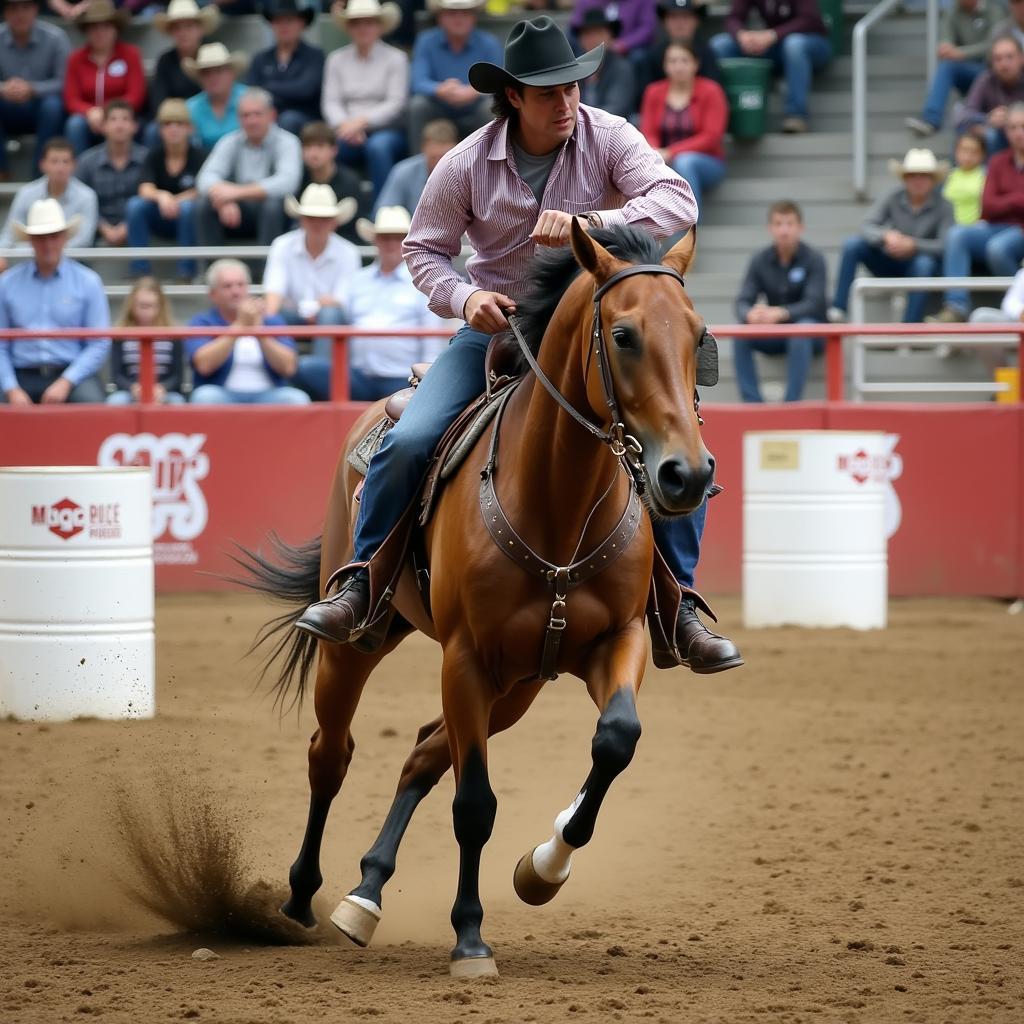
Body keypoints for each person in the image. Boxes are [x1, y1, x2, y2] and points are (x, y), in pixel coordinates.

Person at [296, 16, 742, 675]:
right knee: (414, 436)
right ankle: (363, 581)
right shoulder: (465, 163)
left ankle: (678, 606)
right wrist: (465, 299)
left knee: (680, 433)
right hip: (494, 329)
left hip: (589, 329)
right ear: (512, 97)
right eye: (546, 94)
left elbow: (677, 199)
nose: (564, 104)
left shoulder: (609, 135)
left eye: (571, 89)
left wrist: (594, 222)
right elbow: (424, 252)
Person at [0, 198, 109, 405]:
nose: (47, 244)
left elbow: (99, 343)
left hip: (71, 372)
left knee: (92, 405)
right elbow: (0, 345)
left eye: (53, 236)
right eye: (41, 238)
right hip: (20, 372)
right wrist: (11, 387)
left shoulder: (88, 282)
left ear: (64, 238)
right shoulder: (7, 284)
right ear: (31, 241)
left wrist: (67, 381)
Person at [829, 148, 954, 324]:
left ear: (933, 180)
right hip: (888, 259)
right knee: (852, 245)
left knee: (924, 264)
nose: (918, 180)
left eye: (924, 175)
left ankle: (910, 328)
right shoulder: (892, 196)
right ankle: (838, 309)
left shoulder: (945, 206)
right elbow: (866, 225)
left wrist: (913, 245)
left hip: (919, 266)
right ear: (905, 178)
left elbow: (945, 246)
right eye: (913, 175)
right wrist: (886, 236)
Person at [264, 183, 361, 401]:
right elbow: (273, 295)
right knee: (273, 316)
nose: (317, 223)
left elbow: (342, 301)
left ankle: (318, 377)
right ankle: (306, 376)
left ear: (334, 222)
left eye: (323, 218)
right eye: (311, 217)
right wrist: (271, 315)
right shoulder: (282, 245)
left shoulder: (348, 252)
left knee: (330, 315)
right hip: (295, 316)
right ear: (301, 220)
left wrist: (320, 307)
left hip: (325, 318)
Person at [930, 104, 1024, 323]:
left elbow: (995, 204)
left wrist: (1005, 201)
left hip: (1018, 232)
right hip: (997, 226)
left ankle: (1015, 309)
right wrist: (1018, 199)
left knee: (998, 248)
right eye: (1012, 127)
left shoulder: (996, 162)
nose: (1018, 132)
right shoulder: (998, 161)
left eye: (1023, 126)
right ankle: (956, 306)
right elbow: (988, 205)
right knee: (957, 235)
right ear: (1006, 131)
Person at [346, 205, 448, 401]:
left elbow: (431, 345)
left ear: (406, 242)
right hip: (358, 376)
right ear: (375, 240)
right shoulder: (356, 280)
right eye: (385, 237)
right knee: (310, 369)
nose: (391, 243)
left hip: (403, 379)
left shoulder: (423, 283)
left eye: (397, 237)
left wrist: (425, 381)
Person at [732, 200, 826, 403]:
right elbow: (742, 300)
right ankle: (753, 405)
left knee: (802, 330)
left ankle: (791, 406)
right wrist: (750, 314)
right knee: (741, 333)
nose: (784, 231)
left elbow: (815, 303)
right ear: (770, 228)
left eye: (789, 224)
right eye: (778, 224)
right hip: (776, 333)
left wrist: (781, 313)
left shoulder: (814, 259)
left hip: (812, 334)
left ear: (800, 228)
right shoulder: (760, 260)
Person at [187, 258, 310, 405]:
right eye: (227, 286)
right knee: (205, 397)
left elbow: (289, 368)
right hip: (221, 393)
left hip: (269, 394)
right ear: (212, 294)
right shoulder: (202, 322)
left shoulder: (271, 320)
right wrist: (239, 327)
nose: (236, 291)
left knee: (296, 400)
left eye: (240, 285)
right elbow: (204, 365)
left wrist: (259, 331)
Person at [322, 0, 409, 200]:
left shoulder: (396, 58)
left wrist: (360, 123)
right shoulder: (336, 60)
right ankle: (335, 207)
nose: (363, 28)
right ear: (348, 28)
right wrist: (345, 127)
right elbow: (331, 102)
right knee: (329, 149)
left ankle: (384, 209)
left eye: (369, 22)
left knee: (378, 147)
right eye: (356, 23)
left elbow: (396, 103)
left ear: (379, 26)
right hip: (345, 130)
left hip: (386, 130)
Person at [195, 86, 302, 247]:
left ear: (272, 115)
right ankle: (212, 268)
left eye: (257, 114)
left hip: (276, 216)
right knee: (204, 204)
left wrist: (235, 193)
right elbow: (204, 178)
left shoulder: (288, 142)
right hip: (236, 214)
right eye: (245, 115)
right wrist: (223, 200)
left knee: (272, 205)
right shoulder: (229, 141)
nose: (251, 121)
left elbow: (288, 183)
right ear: (238, 119)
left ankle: (268, 269)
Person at [709, 0, 831, 133]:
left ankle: (797, 115)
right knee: (720, 44)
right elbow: (733, 17)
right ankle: (723, 112)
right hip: (774, 45)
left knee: (794, 44)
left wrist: (772, 35)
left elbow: (809, 20)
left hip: (812, 44)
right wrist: (742, 36)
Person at [640, 41, 728, 214]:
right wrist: (657, 152)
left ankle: (689, 233)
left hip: (707, 162)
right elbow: (648, 131)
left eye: (684, 61)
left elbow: (711, 137)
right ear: (665, 65)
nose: (678, 67)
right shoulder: (653, 92)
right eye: (672, 61)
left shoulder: (712, 91)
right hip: (662, 159)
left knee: (684, 163)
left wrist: (672, 152)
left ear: (696, 64)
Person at [126, 98, 205, 281]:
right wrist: (162, 196)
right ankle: (139, 270)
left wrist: (175, 201)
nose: (173, 129)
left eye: (179, 123)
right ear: (160, 130)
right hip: (160, 216)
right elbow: (144, 188)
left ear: (190, 128)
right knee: (135, 206)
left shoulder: (200, 156)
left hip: (188, 219)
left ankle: (186, 271)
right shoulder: (154, 155)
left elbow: (204, 189)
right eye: (167, 124)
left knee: (188, 208)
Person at [407, 0, 500, 152]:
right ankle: (419, 166)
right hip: (438, 107)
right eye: (451, 13)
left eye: (465, 12)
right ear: (440, 17)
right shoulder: (426, 41)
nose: (459, 18)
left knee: (491, 107)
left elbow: (498, 83)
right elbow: (418, 81)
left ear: (474, 16)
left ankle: (491, 166)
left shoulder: (489, 43)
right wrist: (440, 89)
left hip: (475, 108)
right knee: (418, 106)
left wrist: (472, 91)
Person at [905, 0, 1001, 137]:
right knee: (946, 67)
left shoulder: (994, 10)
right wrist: (946, 48)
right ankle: (931, 120)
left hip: (994, 71)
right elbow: (946, 38)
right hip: (967, 70)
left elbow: (996, 45)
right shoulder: (953, 11)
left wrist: (962, 53)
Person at [62, 0, 145, 155]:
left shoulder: (131, 54)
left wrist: (109, 114)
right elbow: (71, 98)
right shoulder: (75, 59)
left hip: (122, 115)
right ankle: (79, 175)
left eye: (106, 26)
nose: (100, 32)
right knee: (75, 124)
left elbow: (135, 95)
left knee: (133, 124)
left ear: (116, 29)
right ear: (86, 31)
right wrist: (90, 112)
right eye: (93, 27)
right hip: (89, 119)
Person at [0, 138, 97, 266]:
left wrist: (45, 251)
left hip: (73, 262)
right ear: (43, 164)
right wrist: (1, 254)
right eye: (54, 161)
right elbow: (9, 233)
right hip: (30, 261)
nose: (60, 167)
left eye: (65, 161)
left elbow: (84, 240)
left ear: (74, 165)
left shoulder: (87, 196)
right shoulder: (26, 193)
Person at [0, 0, 69, 178]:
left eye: (25, 7)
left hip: (42, 108)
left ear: (36, 10)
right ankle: (1, 170)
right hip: (6, 107)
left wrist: (33, 89)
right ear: (5, 13)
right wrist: (3, 88)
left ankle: (41, 174)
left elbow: (65, 81)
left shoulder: (56, 37)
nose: (19, 14)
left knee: (53, 105)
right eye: (13, 8)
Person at [75, 99, 147, 250]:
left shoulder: (148, 159)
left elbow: (150, 200)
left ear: (135, 126)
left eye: (125, 119)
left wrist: (128, 226)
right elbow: (78, 200)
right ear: (103, 126)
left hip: (141, 226)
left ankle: (142, 272)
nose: (119, 125)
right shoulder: (87, 161)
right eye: (113, 119)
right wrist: (103, 227)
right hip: (95, 228)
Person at [247, 0, 324, 137]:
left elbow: (306, 90)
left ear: (301, 23)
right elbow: (253, 92)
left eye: (289, 20)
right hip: (266, 117)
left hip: (304, 119)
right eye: (278, 21)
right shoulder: (260, 59)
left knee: (289, 119)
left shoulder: (314, 56)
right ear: (272, 25)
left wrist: (269, 87)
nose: (283, 26)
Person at [107, 277, 186, 404]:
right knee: (115, 402)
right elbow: (117, 375)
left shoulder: (173, 335)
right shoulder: (121, 334)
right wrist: (132, 388)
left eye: (151, 306)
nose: (146, 311)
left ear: (160, 306)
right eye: (142, 306)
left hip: (164, 391)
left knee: (178, 402)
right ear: (132, 306)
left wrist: (162, 388)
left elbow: (178, 376)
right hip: (130, 391)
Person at [297, 120, 368, 246]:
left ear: (334, 150)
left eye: (319, 146)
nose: (313, 153)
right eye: (308, 147)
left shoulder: (350, 183)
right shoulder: (298, 179)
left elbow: (355, 230)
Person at [149, 0, 220, 122]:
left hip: (210, 116)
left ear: (200, 29)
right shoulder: (165, 60)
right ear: (171, 33)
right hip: (175, 120)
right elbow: (159, 100)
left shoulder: (213, 54)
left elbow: (220, 94)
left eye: (189, 27)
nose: (183, 33)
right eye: (177, 28)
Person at [956, 35, 1024, 155]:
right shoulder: (985, 80)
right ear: (992, 62)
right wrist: (988, 119)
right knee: (988, 133)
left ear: (1021, 58)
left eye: (1010, 57)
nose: (1004, 64)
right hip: (996, 140)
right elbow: (964, 116)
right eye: (998, 59)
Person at [375, 118, 457, 215]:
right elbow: (385, 211)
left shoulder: (468, 173)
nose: (438, 164)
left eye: (444, 158)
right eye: (434, 158)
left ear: (456, 149)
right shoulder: (403, 171)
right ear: (423, 148)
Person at [570, 0, 657, 84]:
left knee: (639, 58)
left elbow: (647, 28)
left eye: (598, 32)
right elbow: (574, 27)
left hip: (629, 49)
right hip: (589, 48)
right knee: (572, 54)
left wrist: (624, 44)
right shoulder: (585, 2)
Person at [183, 41, 248, 150]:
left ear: (231, 73)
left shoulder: (250, 100)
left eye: (218, 71)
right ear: (199, 78)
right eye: (206, 73)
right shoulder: (190, 108)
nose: (212, 78)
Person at [647, 0, 720, 94]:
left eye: (685, 17)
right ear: (665, 22)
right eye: (673, 17)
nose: (679, 23)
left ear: (696, 21)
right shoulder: (653, 55)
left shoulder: (707, 54)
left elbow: (714, 93)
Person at [576, 9, 636, 119]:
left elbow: (616, 109)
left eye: (598, 32)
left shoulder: (621, 68)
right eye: (587, 33)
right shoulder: (575, 69)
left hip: (613, 129)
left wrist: (580, 120)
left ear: (610, 36)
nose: (592, 38)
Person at [943, 131, 987, 226]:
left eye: (974, 152)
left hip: (974, 229)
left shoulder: (987, 176)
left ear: (982, 154)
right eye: (964, 150)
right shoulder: (947, 176)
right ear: (956, 151)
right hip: (947, 228)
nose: (968, 156)